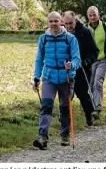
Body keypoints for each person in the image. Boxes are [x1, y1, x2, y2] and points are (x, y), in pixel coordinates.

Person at [32, 11, 81, 150]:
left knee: (65, 108)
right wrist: (36, 76)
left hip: (66, 77)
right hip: (49, 76)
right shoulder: (43, 38)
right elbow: (39, 59)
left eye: (56, 21)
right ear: (48, 23)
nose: (53, 24)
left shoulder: (70, 39)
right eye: (51, 21)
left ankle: (65, 134)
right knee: (46, 106)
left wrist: (71, 65)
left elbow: (77, 59)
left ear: (61, 22)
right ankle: (42, 137)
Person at [62, 11, 99, 127]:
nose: (68, 26)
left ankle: (89, 114)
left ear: (75, 20)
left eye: (70, 23)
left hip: (82, 68)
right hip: (66, 69)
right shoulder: (61, 33)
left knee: (82, 93)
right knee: (67, 95)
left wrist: (86, 61)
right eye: (66, 24)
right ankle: (65, 121)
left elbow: (94, 52)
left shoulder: (84, 32)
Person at [86, 6, 106, 116]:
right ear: (88, 17)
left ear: (98, 15)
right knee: (89, 84)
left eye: (94, 14)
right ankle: (89, 107)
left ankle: (97, 108)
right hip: (90, 61)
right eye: (90, 15)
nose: (93, 17)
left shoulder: (105, 26)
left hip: (102, 60)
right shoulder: (86, 29)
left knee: (97, 82)